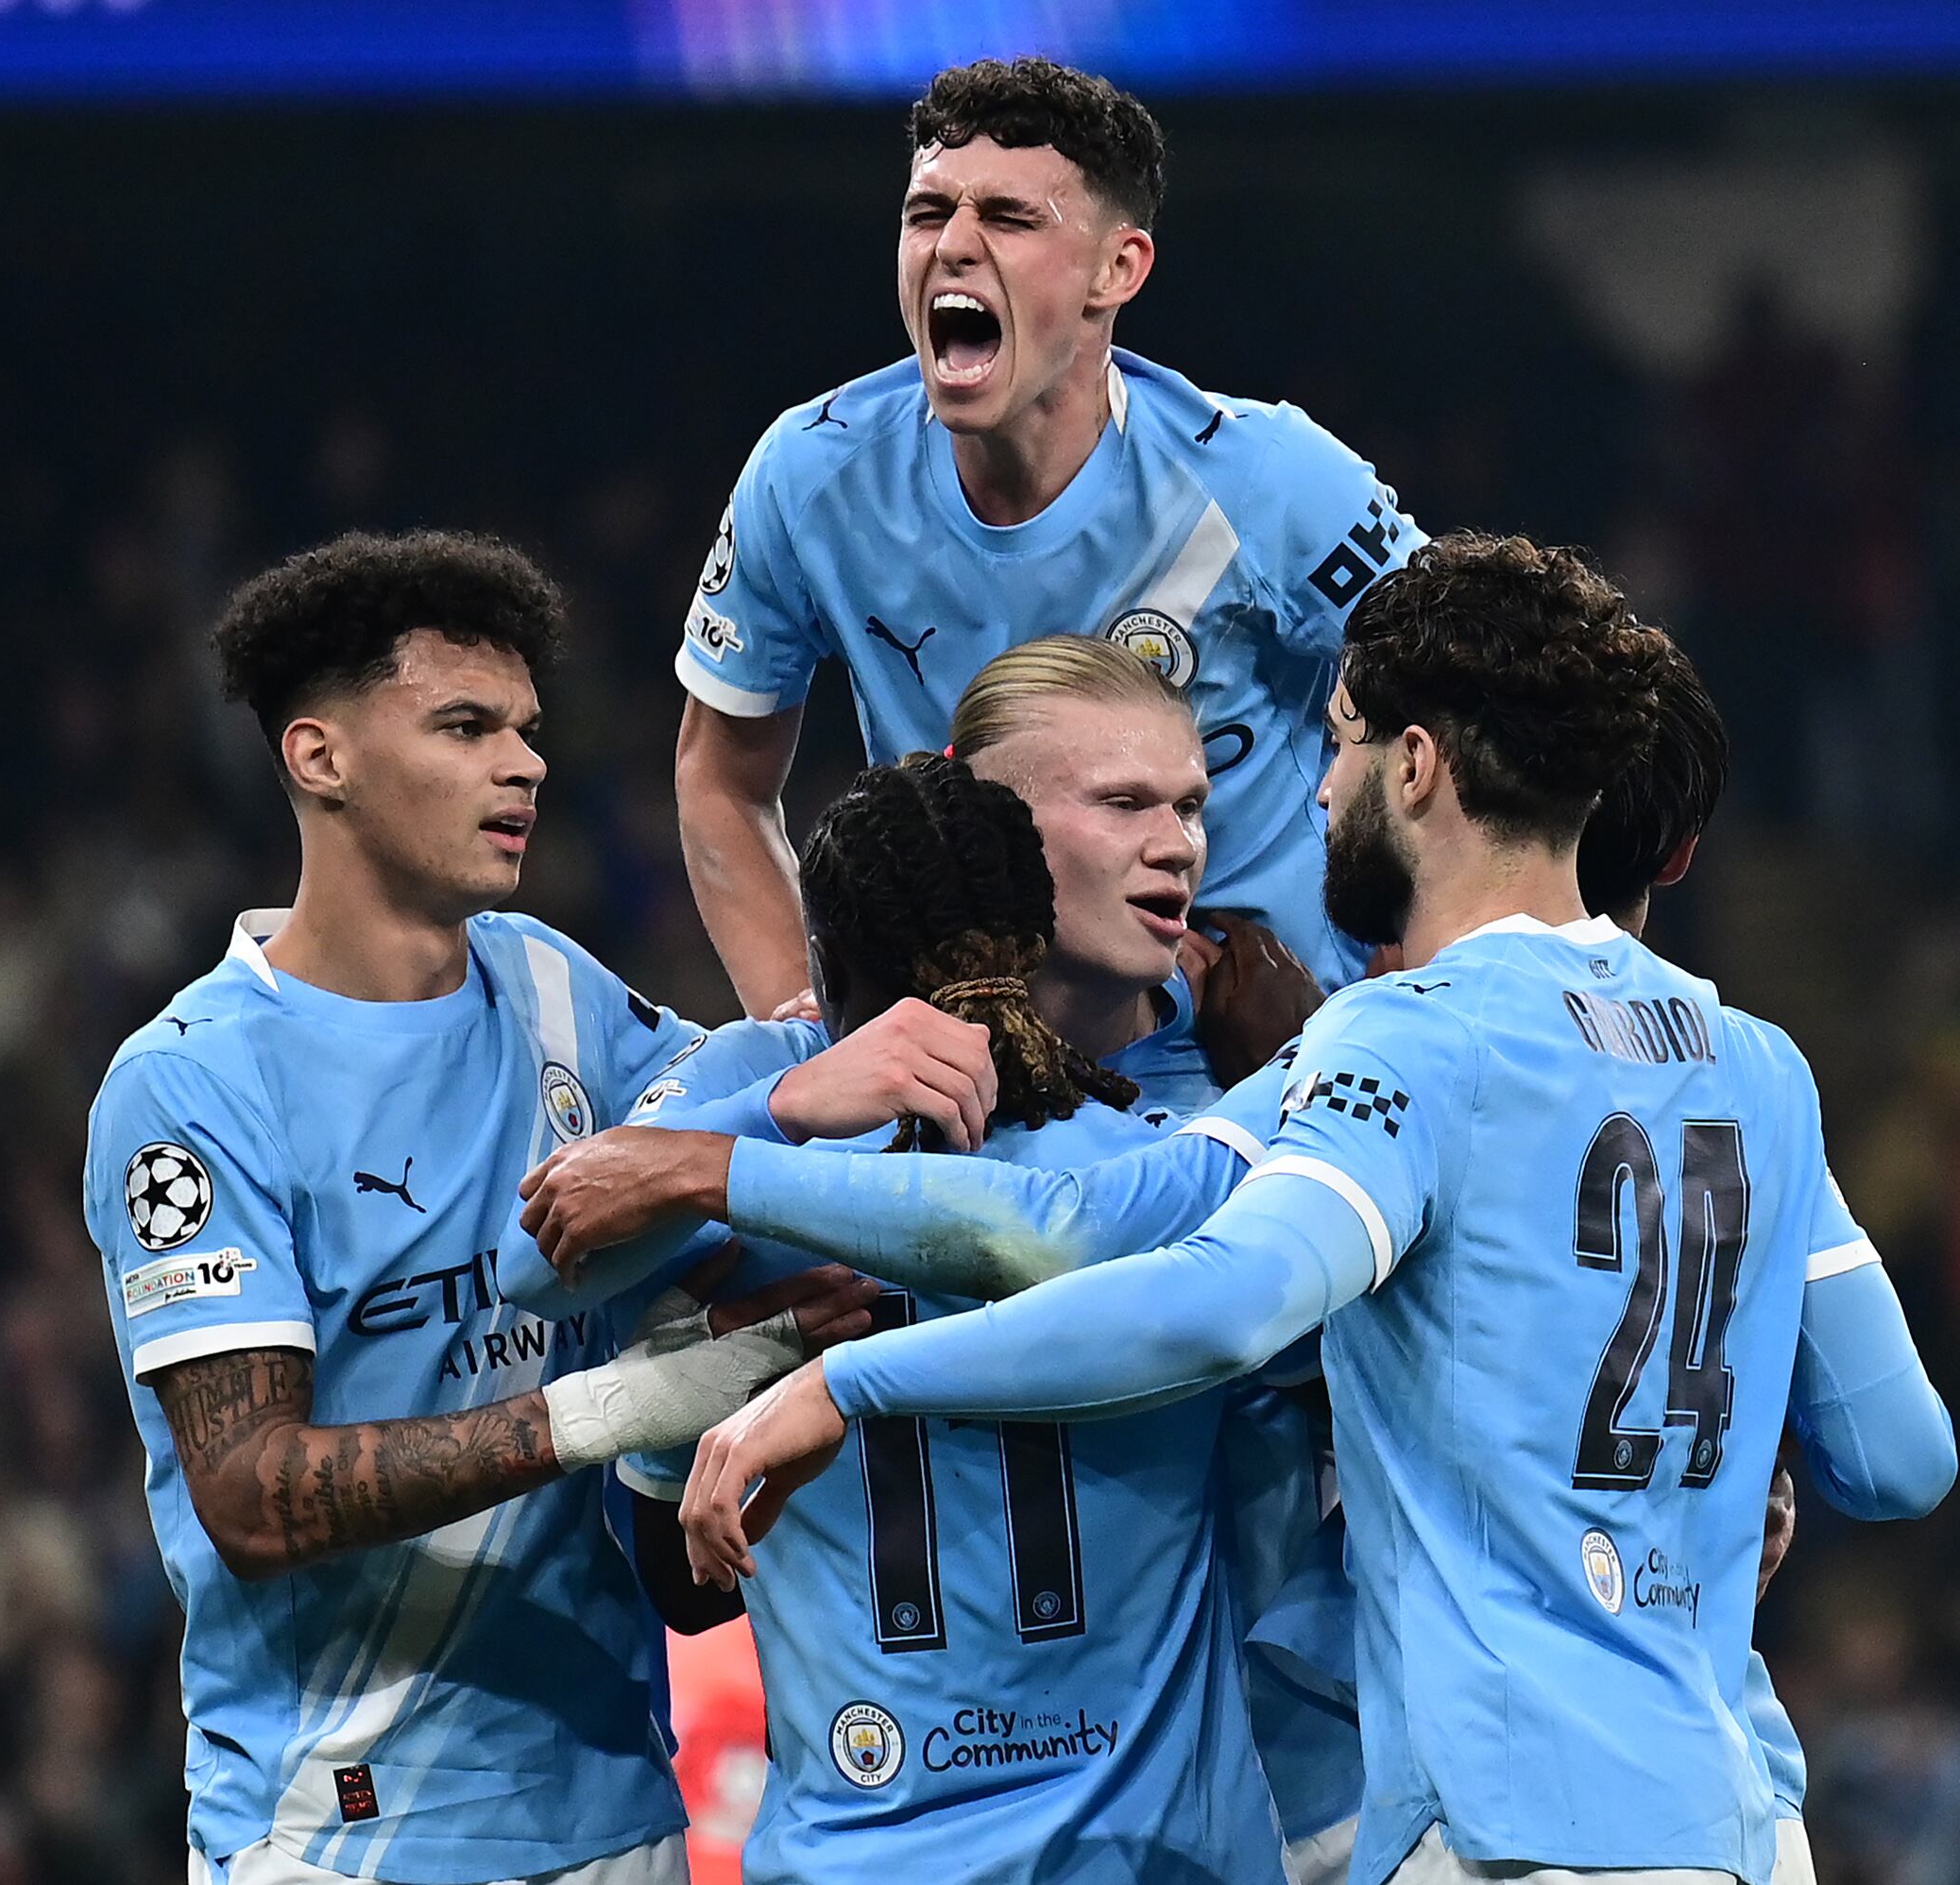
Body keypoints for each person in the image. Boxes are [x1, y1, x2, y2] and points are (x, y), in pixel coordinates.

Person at [678, 532, 1958, 1884]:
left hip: (1510, 1827)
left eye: (1337, 744)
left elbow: (1210, 1294)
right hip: (1745, 1817)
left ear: (1416, 767)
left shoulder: (1410, 1040)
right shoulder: (1758, 1063)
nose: (1318, 788)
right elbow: (1897, 1456)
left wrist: (844, 1370)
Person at [79, 530, 879, 1885]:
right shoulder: (194, 1085)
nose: (525, 764)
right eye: (464, 726)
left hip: (617, 1812)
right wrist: (622, 1408)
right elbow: (255, 1499)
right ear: (318, 756)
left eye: (526, 728)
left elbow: (744, 1167)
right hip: (336, 1836)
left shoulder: (556, 993)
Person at [533, 637, 1355, 1873]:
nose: (1180, 841)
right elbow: (550, 1268)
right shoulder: (1202, 1141)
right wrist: (1316, 1060)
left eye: (1190, 804)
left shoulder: (764, 1110)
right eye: (1125, 803)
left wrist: (724, 1177)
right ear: (983, 824)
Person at [674, 54, 1419, 1012]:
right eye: (930, 213)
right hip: (980, 1079)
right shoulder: (811, 476)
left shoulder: (1269, 481)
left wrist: (1397, 1002)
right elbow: (718, 775)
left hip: (1263, 1075)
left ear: (1119, 268)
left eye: (1011, 218)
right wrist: (802, 1018)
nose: (953, 245)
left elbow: (1470, 717)